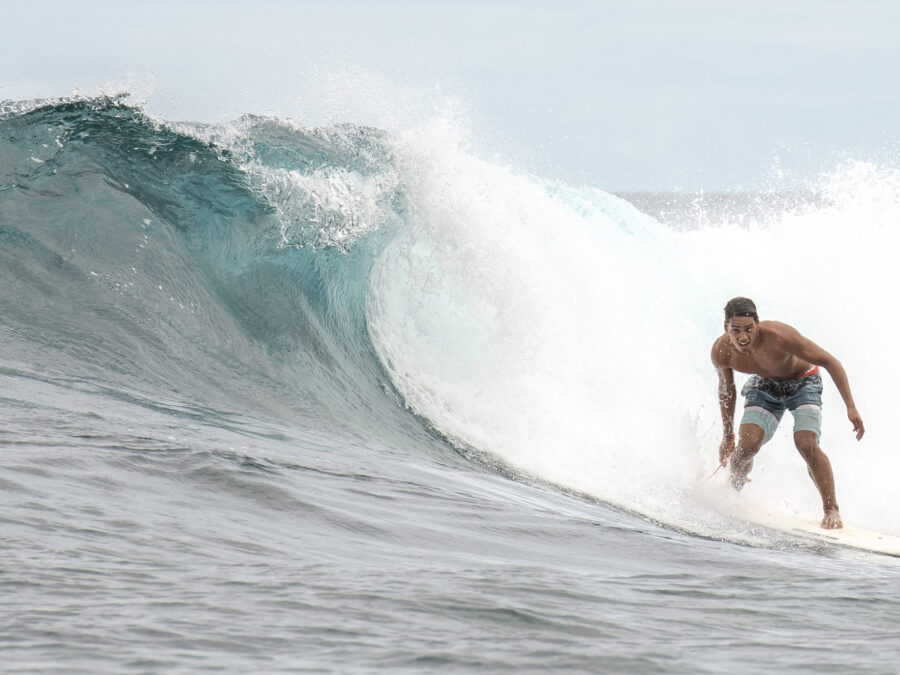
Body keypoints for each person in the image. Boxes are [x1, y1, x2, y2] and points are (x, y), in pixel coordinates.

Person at [710, 297, 864, 529]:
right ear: (726, 328)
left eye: (749, 329)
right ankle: (731, 494)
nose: (743, 337)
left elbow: (831, 362)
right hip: (765, 386)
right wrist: (727, 434)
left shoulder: (780, 337)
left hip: (803, 383)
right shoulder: (721, 351)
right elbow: (726, 389)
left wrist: (850, 406)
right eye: (736, 330)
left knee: (806, 443)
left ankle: (831, 508)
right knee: (746, 447)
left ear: (758, 324)